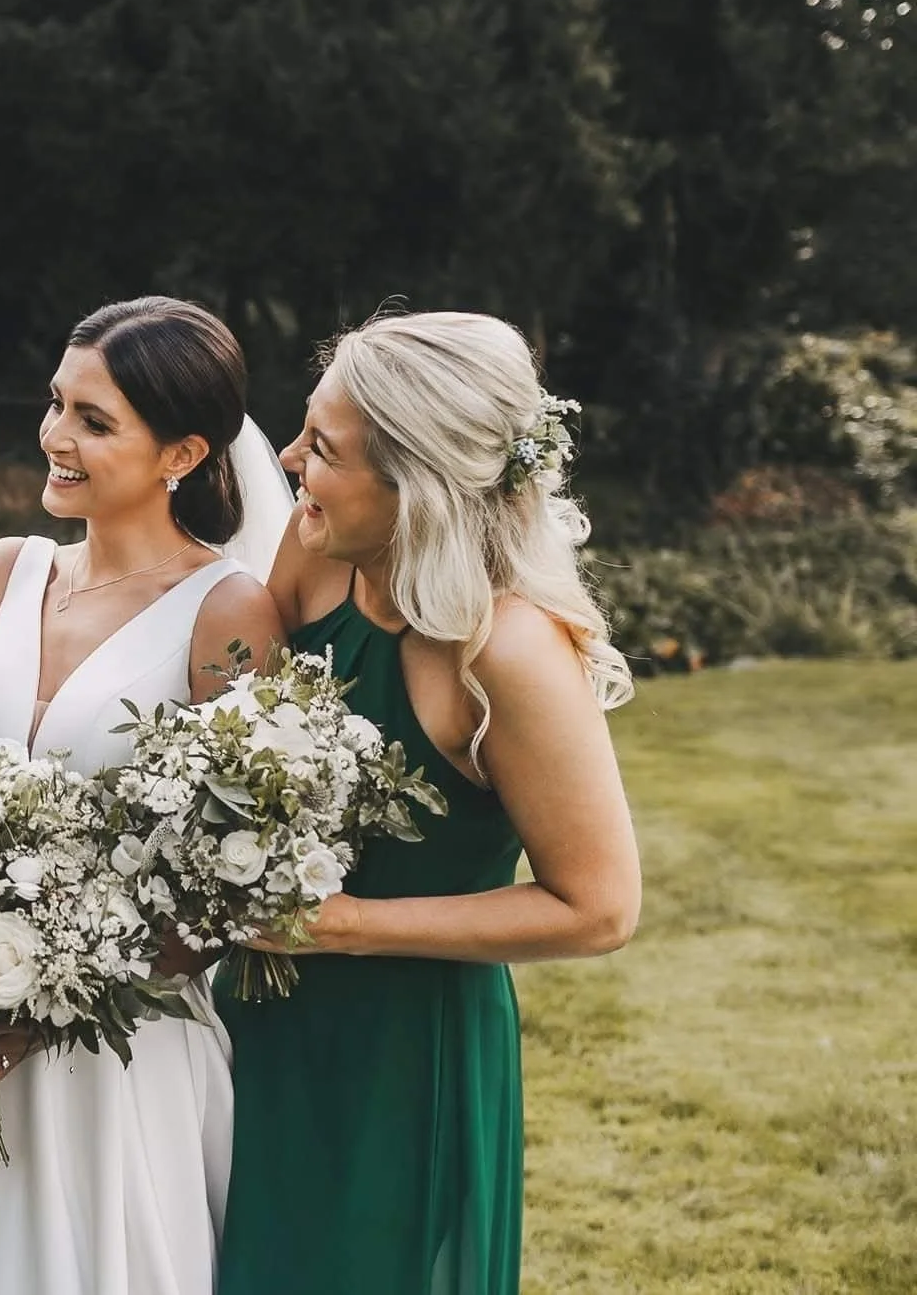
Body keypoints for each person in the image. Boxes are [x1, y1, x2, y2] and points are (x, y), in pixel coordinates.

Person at [0, 296, 284, 1295]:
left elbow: (236, 869)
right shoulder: (7, 571)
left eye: (93, 422)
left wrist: (53, 1006)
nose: (54, 438)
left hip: (118, 1045)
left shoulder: (225, 609)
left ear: (179, 453)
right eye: (55, 404)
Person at [219, 310, 641, 1295]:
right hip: (256, 1020)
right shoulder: (316, 552)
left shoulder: (506, 654)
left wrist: (341, 925)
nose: (284, 460)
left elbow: (597, 906)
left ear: (416, 489)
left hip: (403, 1060)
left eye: (320, 448)